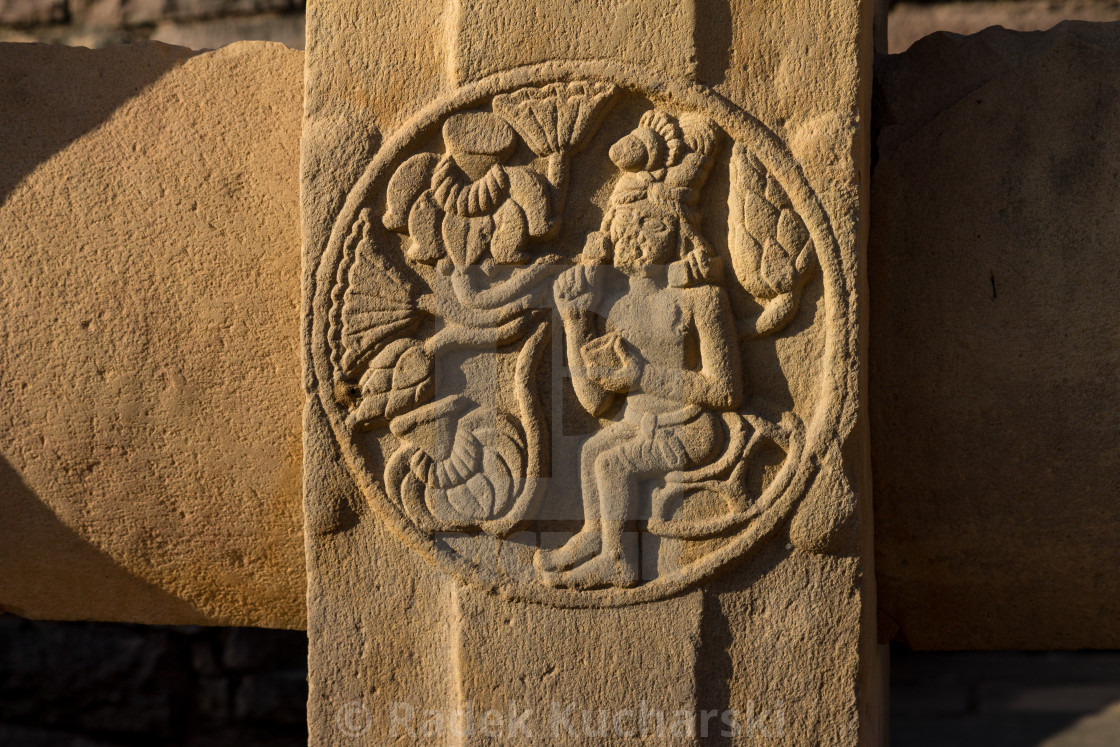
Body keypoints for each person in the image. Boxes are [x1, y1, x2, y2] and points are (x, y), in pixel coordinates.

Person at [537, 110, 743, 588]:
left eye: (651, 226)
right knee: (593, 452)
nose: (635, 240)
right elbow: (594, 403)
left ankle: (620, 561)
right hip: (636, 423)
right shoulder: (613, 304)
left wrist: (644, 377)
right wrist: (574, 321)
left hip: (690, 427)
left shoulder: (699, 299)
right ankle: (598, 535)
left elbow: (728, 391)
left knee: (612, 463)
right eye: (625, 227)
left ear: (679, 231)